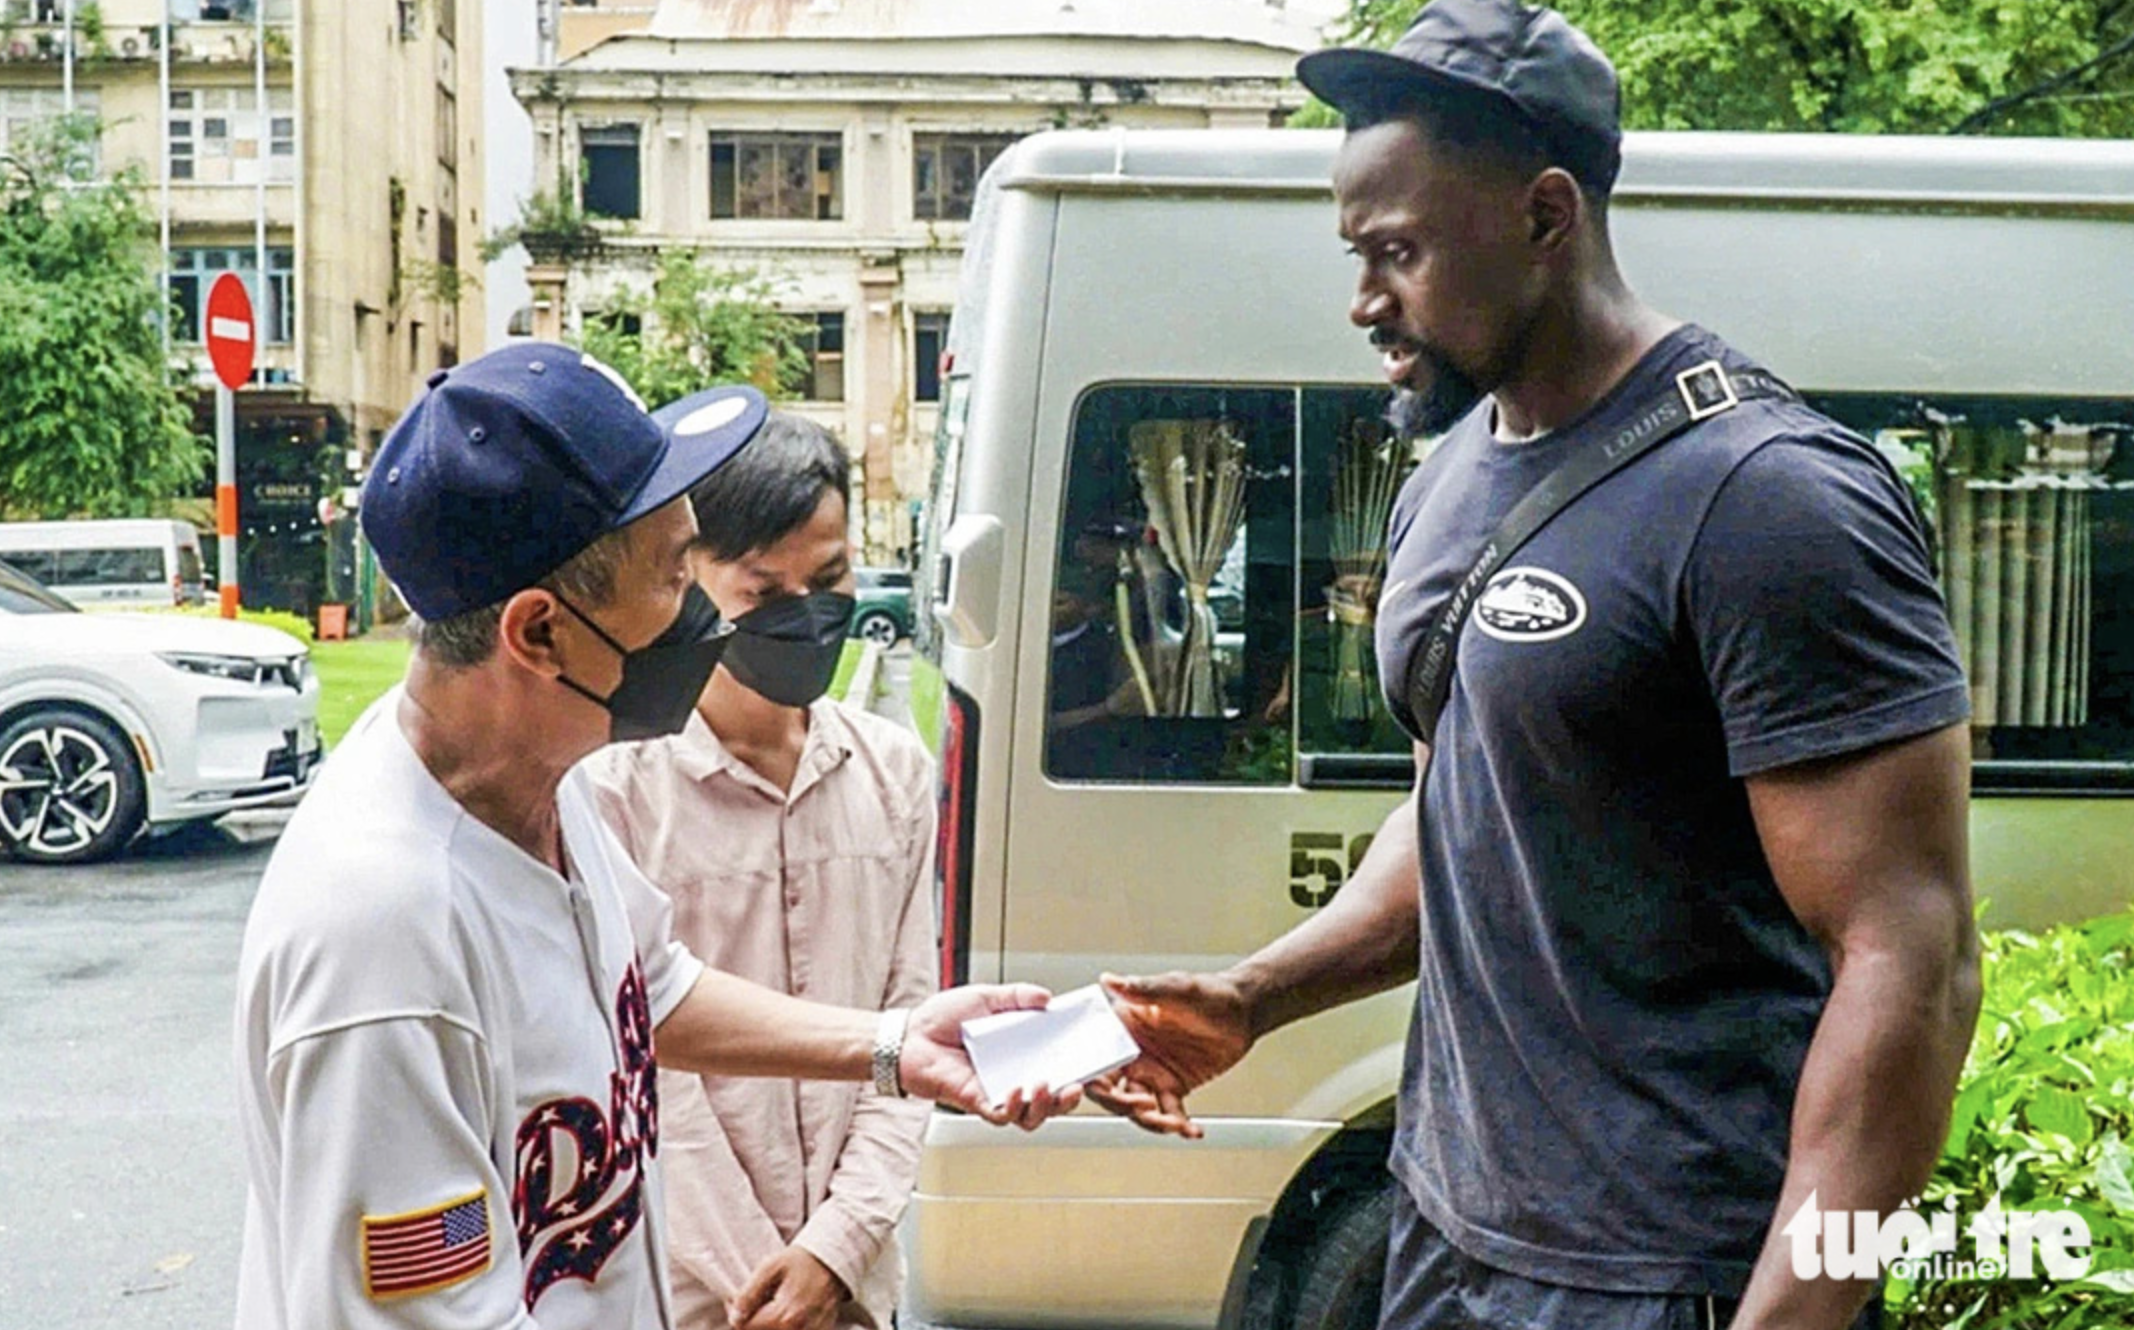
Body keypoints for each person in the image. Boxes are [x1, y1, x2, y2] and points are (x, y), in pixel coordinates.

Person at [1088, 5, 1981, 1330]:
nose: (1361, 300)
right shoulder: (1445, 473)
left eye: (1396, 252)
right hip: (1451, 1233)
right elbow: (1461, 805)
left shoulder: (1765, 498)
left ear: (1546, 215)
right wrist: (1253, 997)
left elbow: (1907, 959)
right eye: (1353, 252)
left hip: (1671, 1271)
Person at [232, 345, 1073, 1330]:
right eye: (678, 576)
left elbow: (652, 985)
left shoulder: (528, 782)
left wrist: (893, 1044)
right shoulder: (382, 944)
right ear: (540, 634)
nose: (704, 619)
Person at [576, 412, 931, 1330]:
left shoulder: (896, 777)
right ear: (690, 579)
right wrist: (765, 1284)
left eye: (829, 579)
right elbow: (640, 1058)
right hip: (691, 1294)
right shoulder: (614, 791)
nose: (804, 612)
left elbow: (908, 1030)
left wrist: (836, 1250)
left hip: (853, 1293)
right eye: (763, 589)